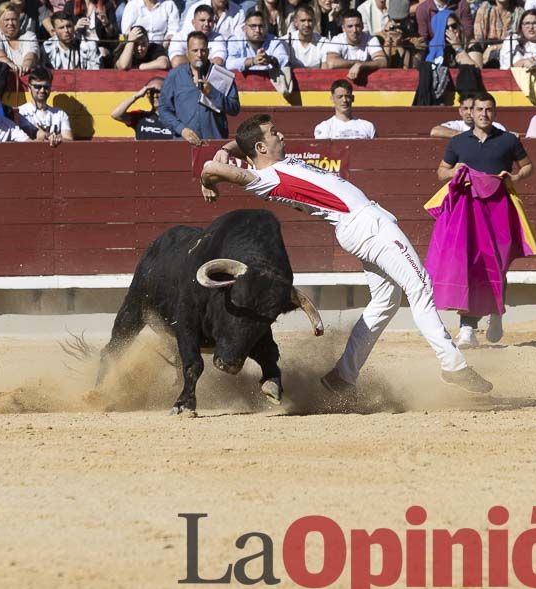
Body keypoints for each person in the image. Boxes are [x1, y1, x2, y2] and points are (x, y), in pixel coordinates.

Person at [201, 114, 495, 394]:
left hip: (362, 225)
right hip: (366, 225)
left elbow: (238, 149)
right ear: (262, 147)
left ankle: (343, 375)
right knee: (420, 286)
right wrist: (209, 178)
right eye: (274, 133)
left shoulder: (279, 165)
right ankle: (452, 364)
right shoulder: (266, 178)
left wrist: (226, 147)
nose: (281, 134)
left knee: (385, 302)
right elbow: (211, 169)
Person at [433, 92, 533, 347]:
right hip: (468, 211)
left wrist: (516, 178)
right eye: (479, 109)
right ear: (471, 112)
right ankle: (467, 328)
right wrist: (453, 171)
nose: (483, 114)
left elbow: (527, 166)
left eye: (488, 110)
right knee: (471, 267)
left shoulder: (508, 140)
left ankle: (497, 311)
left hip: (498, 210)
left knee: (497, 266)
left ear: (494, 112)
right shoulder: (458, 142)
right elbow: (441, 172)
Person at [159, 31, 241, 144]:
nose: (199, 54)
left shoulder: (222, 75)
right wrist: (181, 129)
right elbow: (164, 109)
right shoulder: (175, 76)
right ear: (187, 52)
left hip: (214, 142)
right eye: (195, 50)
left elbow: (234, 108)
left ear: (208, 52)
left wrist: (213, 93)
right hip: (184, 143)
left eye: (203, 50)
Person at [17, 67, 73, 145]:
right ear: (29, 88)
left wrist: (58, 139)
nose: (42, 90)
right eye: (38, 87)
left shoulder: (60, 114)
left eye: (46, 87)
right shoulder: (20, 112)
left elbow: (70, 141)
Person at [323, 11, 386, 78]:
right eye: (350, 26)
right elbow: (331, 63)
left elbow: (382, 62)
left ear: (363, 26)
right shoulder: (337, 39)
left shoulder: (371, 39)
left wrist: (361, 65)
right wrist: (357, 63)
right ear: (343, 28)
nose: (354, 30)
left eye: (357, 26)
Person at [0, 2, 40, 74]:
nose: (10, 23)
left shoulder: (29, 35)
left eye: (14, 19)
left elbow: (31, 54)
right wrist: (12, 66)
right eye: (6, 20)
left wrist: (25, 66)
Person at [167, 4, 228, 68]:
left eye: (210, 21)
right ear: (193, 22)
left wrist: (190, 59)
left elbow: (218, 61)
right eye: (202, 20)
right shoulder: (180, 37)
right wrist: (204, 61)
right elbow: (176, 62)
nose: (206, 24)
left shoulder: (218, 38)